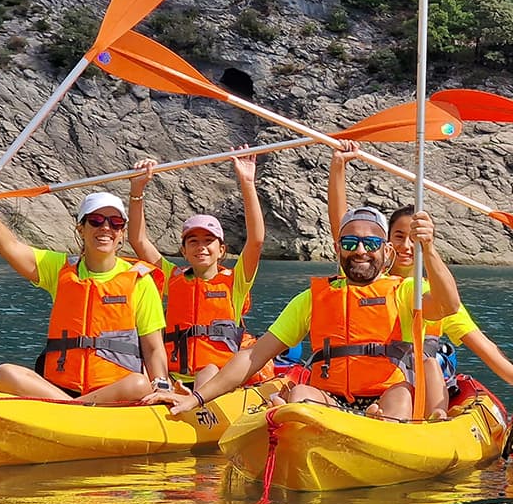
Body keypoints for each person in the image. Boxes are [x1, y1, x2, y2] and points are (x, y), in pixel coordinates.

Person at [143, 205, 461, 421]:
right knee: (301, 393)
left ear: (386, 251)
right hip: (331, 398)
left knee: (402, 395)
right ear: (338, 249)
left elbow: (448, 305)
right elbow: (254, 357)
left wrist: (429, 249)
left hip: (388, 394)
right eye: (350, 243)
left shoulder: (405, 293)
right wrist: (195, 399)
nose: (361, 251)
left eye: (371, 242)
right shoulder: (311, 299)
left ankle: (382, 426)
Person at [328, 142, 513, 390]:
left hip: (417, 387)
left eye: (415, 239)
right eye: (399, 236)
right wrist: (338, 166)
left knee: (432, 364)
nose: (406, 246)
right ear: (385, 245)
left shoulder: (434, 295)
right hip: (368, 384)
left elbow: (486, 350)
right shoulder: (362, 274)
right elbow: (342, 228)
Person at [0, 181, 171, 404]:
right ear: (81, 229)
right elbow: (12, 247)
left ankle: (70, 409)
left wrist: (161, 385)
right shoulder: (59, 269)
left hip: (117, 392)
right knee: (4, 373)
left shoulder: (140, 281)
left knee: (139, 383)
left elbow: (153, 348)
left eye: (116, 223)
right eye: (96, 221)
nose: (105, 228)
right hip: (61, 387)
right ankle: (75, 408)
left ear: (121, 233)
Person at [127, 148, 267, 391]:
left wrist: (247, 182)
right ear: (183, 250)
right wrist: (137, 191)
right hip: (174, 375)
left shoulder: (236, 282)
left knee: (208, 371)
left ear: (221, 250)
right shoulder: (173, 278)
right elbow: (139, 241)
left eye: (208, 241)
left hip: (217, 378)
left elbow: (255, 240)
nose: (201, 247)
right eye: (193, 241)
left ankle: (191, 401)